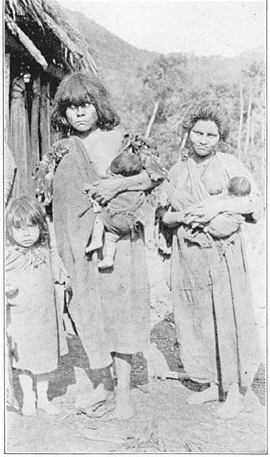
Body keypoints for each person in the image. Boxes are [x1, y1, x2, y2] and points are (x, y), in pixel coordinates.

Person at [36, 72, 166, 420]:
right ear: (62, 115)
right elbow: (47, 202)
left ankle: (123, 391)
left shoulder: (123, 140)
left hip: (118, 241)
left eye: (85, 105)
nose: (79, 114)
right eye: (71, 108)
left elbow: (154, 175)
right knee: (88, 313)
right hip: (76, 246)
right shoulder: (59, 150)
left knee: (121, 312)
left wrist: (113, 189)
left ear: (99, 105)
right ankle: (103, 385)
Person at [162, 100, 262, 419]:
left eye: (212, 135)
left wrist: (216, 208)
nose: (204, 140)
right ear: (188, 132)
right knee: (196, 317)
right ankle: (209, 382)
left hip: (223, 254)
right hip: (188, 254)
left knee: (228, 316)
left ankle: (234, 390)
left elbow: (252, 202)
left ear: (221, 138)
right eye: (198, 133)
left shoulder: (230, 164)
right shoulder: (177, 171)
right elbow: (164, 215)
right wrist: (183, 214)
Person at [5, 196, 69, 416]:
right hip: (21, 318)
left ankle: (42, 396)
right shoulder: (8, 256)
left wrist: (62, 274)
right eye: (19, 228)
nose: (26, 233)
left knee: (44, 358)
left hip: (44, 317)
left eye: (31, 227)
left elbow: (56, 266)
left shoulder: (44, 251)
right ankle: (28, 397)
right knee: (24, 360)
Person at [85, 140, 167, 268]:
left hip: (113, 218)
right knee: (112, 237)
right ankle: (108, 259)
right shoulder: (136, 188)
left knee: (100, 220)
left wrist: (89, 188)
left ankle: (96, 241)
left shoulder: (113, 181)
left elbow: (97, 189)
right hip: (129, 223)